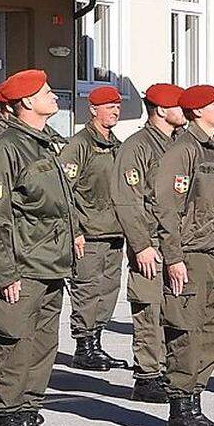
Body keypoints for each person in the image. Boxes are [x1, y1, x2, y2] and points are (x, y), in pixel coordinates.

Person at [0, 70, 81, 426]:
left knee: (42, 351)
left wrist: (76, 233)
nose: (54, 96)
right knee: (15, 350)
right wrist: (5, 272)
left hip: (50, 264)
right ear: (26, 102)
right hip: (23, 268)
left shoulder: (44, 144)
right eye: (46, 92)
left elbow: (61, 201)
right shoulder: (7, 147)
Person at [153, 84, 214, 426]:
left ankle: (195, 402)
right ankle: (180, 411)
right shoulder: (184, 150)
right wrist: (173, 257)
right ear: (198, 112)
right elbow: (166, 208)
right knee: (186, 329)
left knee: (211, 331)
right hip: (191, 255)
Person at [112, 83, 185, 403]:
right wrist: (141, 245)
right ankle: (147, 376)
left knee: (175, 309)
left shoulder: (179, 144)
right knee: (149, 310)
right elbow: (128, 200)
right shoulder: (137, 146)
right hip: (151, 242)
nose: (186, 111)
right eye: (179, 106)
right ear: (162, 110)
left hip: (176, 241)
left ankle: (169, 369)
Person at [60, 85, 128, 372]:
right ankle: (84, 345)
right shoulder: (80, 145)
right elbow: (64, 191)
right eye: (109, 105)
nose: (115, 109)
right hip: (88, 232)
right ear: (93, 110)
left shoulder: (117, 145)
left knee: (109, 290)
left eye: (117, 105)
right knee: (87, 290)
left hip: (114, 232)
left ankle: (96, 341)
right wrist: (74, 230)